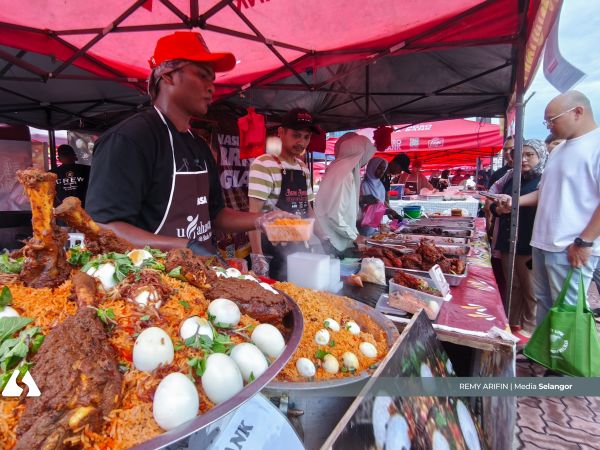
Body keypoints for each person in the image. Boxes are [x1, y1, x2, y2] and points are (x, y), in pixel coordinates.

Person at [86, 31, 288, 255]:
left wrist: (263, 219)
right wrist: (185, 247)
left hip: (201, 270)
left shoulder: (199, 146)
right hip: (152, 275)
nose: (212, 88)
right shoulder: (129, 140)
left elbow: (216, 214)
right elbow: (103, 228)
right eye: (202, 75)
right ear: (168, 76)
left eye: (212, 80)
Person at [498, 91, 600, 324]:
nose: (549, 126)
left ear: (578, 112)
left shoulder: (596, 145)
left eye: (552, 120)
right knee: (544, 306)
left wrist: (585, 241)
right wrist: (515, 202)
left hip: (569, 246)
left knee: (567, 315)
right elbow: (545, 192)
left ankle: (566, 351)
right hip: (542, 243)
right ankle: (545, 348)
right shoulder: (558, 151)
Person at [247, 108, 326, 280]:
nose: (301, 142)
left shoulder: (303, 168)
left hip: (300, 249)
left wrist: (325, 239)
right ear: (281, 133)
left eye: (306, 137)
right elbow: (253, 216)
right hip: (272, 251)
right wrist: (258, 257)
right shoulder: (264, 164)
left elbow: (309, 211)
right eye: (296, 135)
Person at [489, 139, 547, 342]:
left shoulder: (543, 179)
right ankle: (512, 321)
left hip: (529, 240)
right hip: (508, 239)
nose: (523, 159)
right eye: (520, 155)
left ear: (540, 156)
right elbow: (494, 203)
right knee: (512, 284)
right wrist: (498, 208)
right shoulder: (511, 177)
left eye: (529, 155)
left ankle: (530, 328)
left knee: (530, 288)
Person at [315, 133, 376, 254]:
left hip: (332, 238)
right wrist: (355, 236)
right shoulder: (345, 175)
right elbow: (334, 215)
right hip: (334, 242)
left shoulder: (337, 169)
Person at [358, 157, 401, 236]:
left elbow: (379, 206)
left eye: (383, 169)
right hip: (363, 227)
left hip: (376, 226)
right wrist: (386, 211)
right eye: (379, 168)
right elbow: (365, 211)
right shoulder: (363, 185)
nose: (382, 171)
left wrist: (388, 211)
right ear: (372, 167)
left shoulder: (380, 185)